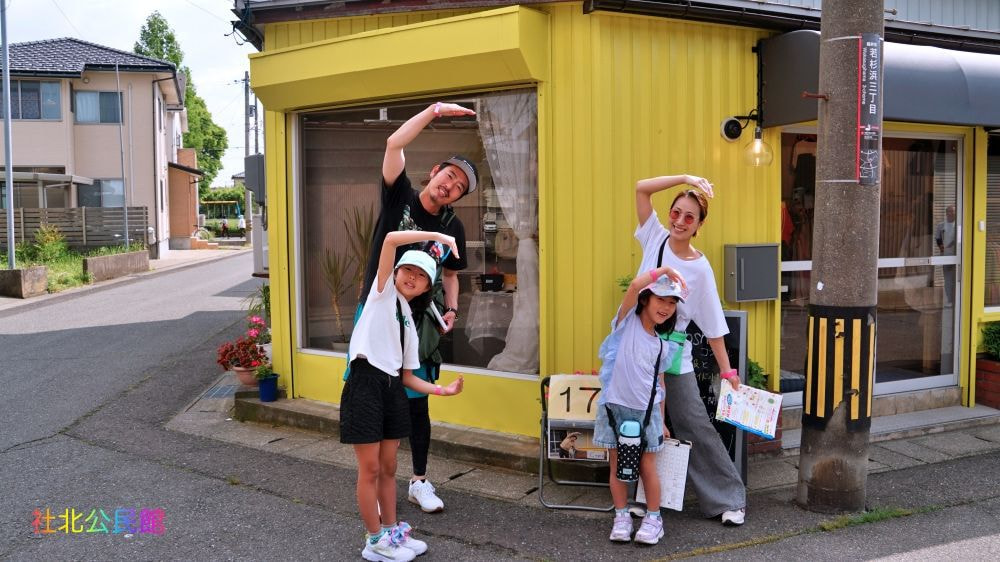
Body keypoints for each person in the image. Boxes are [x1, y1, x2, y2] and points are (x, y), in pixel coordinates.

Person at [357, 101, 478, 514]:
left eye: (459, 187)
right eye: (449, 176)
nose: (450, 186)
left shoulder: (453, 226)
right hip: (376, 312)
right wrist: (434, 111)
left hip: (419, 324)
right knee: (373, 398)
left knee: (416, 402)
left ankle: (419, 482)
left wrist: (452, 310)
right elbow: (394, 143)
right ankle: (375, 484)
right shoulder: (400, 197)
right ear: (435, 172)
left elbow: (451, 275)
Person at [341, 229, 465, 562]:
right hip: (365, 384)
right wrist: (440, 236)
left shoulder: (409, 320)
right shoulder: (381, 293)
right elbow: (390, 240)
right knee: (369, 469)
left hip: (393, 388)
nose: (412, 277)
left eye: (421, 275)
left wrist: (442, 389)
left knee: (389, 467)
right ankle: (374, 540)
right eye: (407, 269)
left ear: (427, 287)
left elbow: (409, 376)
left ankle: (391, 531)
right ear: (395, 273)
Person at [633, 174, 747, 526]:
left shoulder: (700, 268)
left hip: (673, 353)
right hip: (637, 347)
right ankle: (642, 498)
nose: (680, 221)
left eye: (689, 217)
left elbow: (713, 326)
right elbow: (642, 188)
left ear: (699, 226)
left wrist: (727, 372)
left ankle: (728, 499)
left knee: (693, 422)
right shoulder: (655, 237)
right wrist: (685, 177)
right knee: (637, 420)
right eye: (676, 212)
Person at [594, 269, 686, 545]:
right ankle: (621, 516)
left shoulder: (662, 345)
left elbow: (660, 386)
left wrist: (662, 421)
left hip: (647, 414)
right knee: (616, 466)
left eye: (672, 303)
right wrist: (665, 271)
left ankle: (654, 519)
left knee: (647, 468)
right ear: (646, 299)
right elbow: (635, 285)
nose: (666, 307)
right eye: (661, 299)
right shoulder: (625, 324)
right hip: (614, 409)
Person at [935, 205, 956, 306]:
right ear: (946, 213)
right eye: (948, 211)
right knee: (948, 279)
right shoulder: (941, 225)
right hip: (946, 256)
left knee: (957, 279)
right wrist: (941, 247)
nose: (950, 213)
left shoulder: (959, 225)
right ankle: (949, 300)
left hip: (958, 256)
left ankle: (957, 299)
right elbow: (938, 238)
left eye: (952, 211)